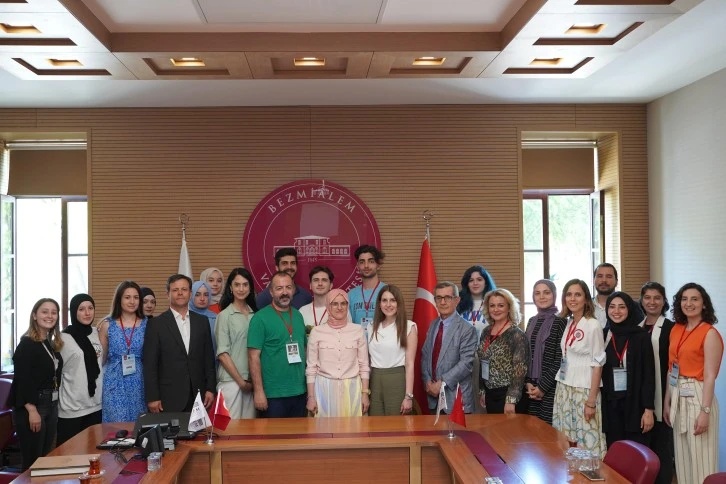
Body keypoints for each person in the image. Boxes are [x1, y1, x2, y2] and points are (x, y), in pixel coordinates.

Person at [664, 283, 723, 484]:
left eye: (694, 299)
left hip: (699, 395)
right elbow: (671, 368)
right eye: (684, 299)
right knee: (683, 461)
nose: (688, 303)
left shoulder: (709, 333)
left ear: (704, 304)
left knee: (702, 461)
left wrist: (705, 411)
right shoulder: (676, 329)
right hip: (678, 393)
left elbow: (710, 376)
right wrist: (667, 401)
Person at [144, 274, 217, 413]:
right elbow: (150, 364)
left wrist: (210, 388)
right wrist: (153, 397)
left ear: (190, 293)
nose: (180, 293)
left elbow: (208, 359)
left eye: (184, 289)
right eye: (175, 290)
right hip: (169, 397)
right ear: (167, 294)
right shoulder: (156, 324)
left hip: (199, 395)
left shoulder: (202, 321)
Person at [552, 279, 606, 458]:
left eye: (577, 294)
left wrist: (591, 402)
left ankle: (591, 472)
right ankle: (570, 471)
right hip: (565, 386)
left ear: (586, 299)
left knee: (586, 438)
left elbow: (598, 364)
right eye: (569, 294)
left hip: (584, 390)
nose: (572, 299)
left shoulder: (593, 325)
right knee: (566, 437)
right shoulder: (570, 322)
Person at [10, 298, 63, 470]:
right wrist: (32, 411)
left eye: (53, 312)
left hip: (51, 404)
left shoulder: (49, 343)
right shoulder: (27, 344)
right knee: (32, 463)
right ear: (34, 315)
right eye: (44, 312)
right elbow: (21, 381)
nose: (50, 316)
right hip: (33, 407)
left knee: (44, 460)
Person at [248, 271, 307, 418]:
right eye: (279, 288)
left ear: (293, 290)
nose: (284, 292)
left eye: (288, 287)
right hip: (273, 395)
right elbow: (253, 357)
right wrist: (259, 391)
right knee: (272, 434)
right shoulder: (259, 318)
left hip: (300, 392)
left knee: (300, 433)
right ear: (271, 292)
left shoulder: (298, 315)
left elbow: (304, 350)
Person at [600, 292, 655, 448]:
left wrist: (648, 410)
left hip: (635, 407)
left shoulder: (641, 337)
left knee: (635, 452)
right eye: (612, 307)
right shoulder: (604, 335)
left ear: (629, 309)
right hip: (610, 407)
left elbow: (649, 375)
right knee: (614, 451)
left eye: (622, 307)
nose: (616, 311)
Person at [306, 290, 370, 417]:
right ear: (328, 306)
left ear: (348, 305)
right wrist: (311, 397)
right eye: (334, 304)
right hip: (324, 389)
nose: (339, 307)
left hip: (352, 389)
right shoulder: (317, 332)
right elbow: (311, 368)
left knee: (353, 428)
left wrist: (365, 394)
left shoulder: (357, 330)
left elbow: (364, 366)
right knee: (324, 428)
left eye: (343, 303)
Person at [421, 281, 477, 413]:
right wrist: (427, 381)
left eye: (447, 297)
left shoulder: (467, 329)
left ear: (457, 300)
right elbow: (425, 356)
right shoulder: (433, 325)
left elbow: (466, 364)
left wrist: (441, 383)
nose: (443, 302)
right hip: (433, 398)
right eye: (439, 298)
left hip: (456, 400)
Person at [640, 281, 675, 484]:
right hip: (642, 398)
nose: (652, 302)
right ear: (641, 301)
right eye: (647, 297)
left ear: (664, 301)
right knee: (644, 451)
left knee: (662, 450)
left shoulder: (672, 328)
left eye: (657, 298)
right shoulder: (637, 327)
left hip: (663, 396)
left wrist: (668, 399)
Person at [57, 294, 103, 446]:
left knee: (93, 453)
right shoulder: (63, 338)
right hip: (72, 408)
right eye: (81, 309)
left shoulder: (98, 333)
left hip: (96, 405)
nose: (87, 313)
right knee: (69, 454)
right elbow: (56, 372)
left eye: (90, 308)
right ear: (74, 311)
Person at [99, 281, 148, 422]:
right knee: (116, 426)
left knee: (139, 424)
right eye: (127, 297)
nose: (132, 301)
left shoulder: (147, 324)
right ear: (119, 299)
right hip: (114, 382)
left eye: (136, 297)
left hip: (140, 381)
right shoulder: (107, 325)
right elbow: (101, 359)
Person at [477, 288, 529, 414]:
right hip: (490, 393)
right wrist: (482, 390)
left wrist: (511, 400)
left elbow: (519, 370)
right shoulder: (486, 331)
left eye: (500, 305)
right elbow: (483, 362)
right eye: (492, 306)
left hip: (508, 395)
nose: (496, 309)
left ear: (509, 308)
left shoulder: (516, 335)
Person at [367, 285, 417, 416]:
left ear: (399, 303)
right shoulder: (371, 326)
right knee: (375, 423)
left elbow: (410, 364)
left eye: (393, 300)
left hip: (396, 379)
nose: (388, 305)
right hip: (375, 380)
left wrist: (408, 396)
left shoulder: (409, 326)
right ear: (379, 304)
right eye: (384, 300)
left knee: (397, 423)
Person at [523, 280, 567, 424]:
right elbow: (526, 355)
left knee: (548, 432)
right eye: (537, 293)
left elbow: (561, 359)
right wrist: (528, 383)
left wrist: (542, 387)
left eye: (546, 293)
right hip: (531, 388)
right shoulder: (531, 321)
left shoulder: (561, 321)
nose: (541, 297)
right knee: (532, 431)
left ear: (554, 295)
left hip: (551, 388)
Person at [216, 268, 258, 419]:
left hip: (252, 383)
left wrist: (253, 383)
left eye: (245, 285)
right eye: (237, 284)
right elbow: (222, 354)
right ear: (230, 288)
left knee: (250, 429)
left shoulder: (256, 315)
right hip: (231, 382)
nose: (241, 289)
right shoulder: (224, 316)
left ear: (250, 288)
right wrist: (241, 382)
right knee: (230, 428)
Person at [348, 245, 386, 336]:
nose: (366, 265)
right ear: (357, 266)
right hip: (357, 342)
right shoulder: (351, 294)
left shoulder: (388, 291)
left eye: (371, 261)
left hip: (381, 343)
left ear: (378, 265)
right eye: (362, 262)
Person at [457, 265, 496, 340]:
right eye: (471, 280)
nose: (475, 283)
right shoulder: (458, 303)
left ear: (486, 283)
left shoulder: (493, 304)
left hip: (488, 346)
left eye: (479, 279)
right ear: (467, 284)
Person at [189, 280, 218, 356]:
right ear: (191, 296)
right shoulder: (185, 317)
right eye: (197, 295)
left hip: (213, 360)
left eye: (206, 295)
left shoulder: (216, 318)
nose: (202, 298)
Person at [593, 263, 618, 332]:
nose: (604, 280)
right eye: (600, 276)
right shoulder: (584, 306)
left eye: (609, 276)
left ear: (616, 282)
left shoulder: (628, 307)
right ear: (593, 280)